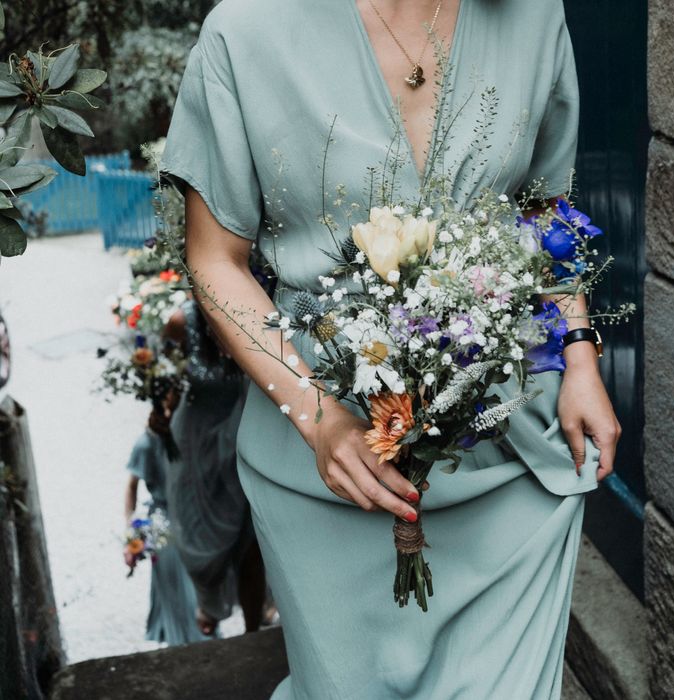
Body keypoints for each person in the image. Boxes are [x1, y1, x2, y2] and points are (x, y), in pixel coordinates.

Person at [159, 0, 622, 696]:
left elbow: (542, 206)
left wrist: (581, 355)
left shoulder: (534, 15)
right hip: (330, 477)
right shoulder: (244, 30)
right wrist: (318, 416)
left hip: (511, 466)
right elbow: (214, 258)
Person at [163, 298, 267, 637]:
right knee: (197, 536)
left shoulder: (254, 308)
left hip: (243, 437)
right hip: (196, 447)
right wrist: (158, 417)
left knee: (250, 542)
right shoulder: (181, 322)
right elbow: (163, 381)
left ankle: (253, 632)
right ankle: (209, 602)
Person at [123, 425, 207, 646]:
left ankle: (197, 640)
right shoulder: (146, 444)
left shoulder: (186, 434)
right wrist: (132, 532)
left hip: (190, 517)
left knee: (198, 587)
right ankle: (185, 643)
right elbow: (131, 487)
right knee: (177, 592)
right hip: (163, 526)